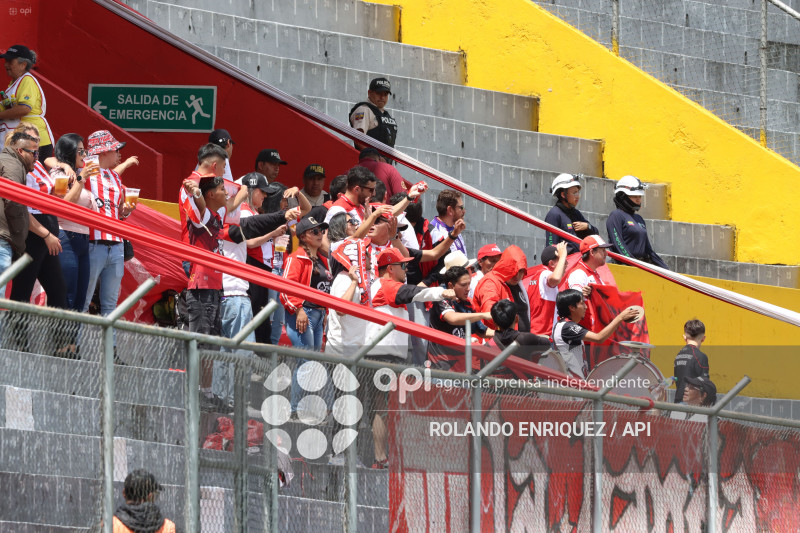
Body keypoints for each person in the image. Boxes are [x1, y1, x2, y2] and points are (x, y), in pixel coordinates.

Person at [366, 247, 454, 468]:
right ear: (389, 269)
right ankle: (379, 457)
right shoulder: (384, 285)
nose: (407, 269)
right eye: (403, 265)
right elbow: (412, 293)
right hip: (381, 356)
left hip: (389, 355)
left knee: (387, 408)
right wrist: (440, 292)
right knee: (381, 408)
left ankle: (385, 456)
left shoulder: (387, 285)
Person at [240, 176, 310, 345]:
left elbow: (307, 209)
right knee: (265, 315)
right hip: (263, 270)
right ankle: (265, 351)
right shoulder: (256, 216)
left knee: (277, 317)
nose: (286, 205)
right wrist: (272, 234)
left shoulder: (281, 217)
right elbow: (248, 244)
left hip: (278, 270)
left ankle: (271, 349)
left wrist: (298, 193)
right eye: (283, 200)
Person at [280, 215, 332, 416]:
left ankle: (303, 407)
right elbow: (285, 289)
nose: (320, 235)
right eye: (315, 232)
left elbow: (324, 289)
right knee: (307, 361)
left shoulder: (322, 260)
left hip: (318, 314)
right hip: (303, 313)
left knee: (311, 362)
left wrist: (325, 311)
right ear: (303, 236)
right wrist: (298, 309)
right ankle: (298, 408)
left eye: (321, 231)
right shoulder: (296, 258)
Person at [82, 131, 136, 320]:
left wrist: (127, 210)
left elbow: (120, 211)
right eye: (115, 150)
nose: (118, 154)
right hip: (93, 243)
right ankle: (76, 346)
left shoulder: (115, 177)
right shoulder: (86, 171)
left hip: (117, 245)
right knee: (85, 299)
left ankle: (110, 349)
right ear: (104, 152)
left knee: (110, 304)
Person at [52, 134, 97, 315]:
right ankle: (62, 343)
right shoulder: (59, 174)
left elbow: (92, 214)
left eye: (84, 151)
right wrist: (80, 181)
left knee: (80, 298)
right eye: (80, 151)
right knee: (67, 296)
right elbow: (63, 206)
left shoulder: (80, 175)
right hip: (66, 236)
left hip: (84, 240)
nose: (84, 155)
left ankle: (73, 344)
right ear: (69, 152)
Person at [552, 289, 638, 378]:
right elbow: (599, 338)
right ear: (572, 307)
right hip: (570, 384)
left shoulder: (567, 325)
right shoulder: (567, 327)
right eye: (582, 303)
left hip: (576, 383)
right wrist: (620, 317)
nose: (585, 307)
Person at [427, 265, 491, 372]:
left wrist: (506, 333)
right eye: (463, 285)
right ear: (451, 285)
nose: (468, 288)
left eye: (469, 284)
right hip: (441, 368)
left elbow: (482, 331)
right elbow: (452, 318)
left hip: (462, 369)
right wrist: (483, 315)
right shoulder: (441, 298)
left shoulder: (467, 302)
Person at [0, 45, 53, 161]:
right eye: (5, 61)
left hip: (36, 142)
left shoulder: (27, 80)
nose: (5, 64)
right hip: (25, 141)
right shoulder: (14, 82)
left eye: (9, 61)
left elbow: (24, 109)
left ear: (23, 65)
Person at [606, 175, 668, 269]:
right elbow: (618, 245)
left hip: (638, 267)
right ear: (623, 196)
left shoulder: (639, 219)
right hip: (624, 268)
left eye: (639, 196)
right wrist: (633, 265)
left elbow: (648, 250)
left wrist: (665, 269)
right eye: (634, 196)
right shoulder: (616, 216)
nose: (638, 199)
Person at [0, 131, 35, 294]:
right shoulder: (13, 164)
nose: (36, 157)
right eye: (33, 152)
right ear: (20, 151)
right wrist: (20, 241)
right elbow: (13, 202)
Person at [489, 299, 552, 379]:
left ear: (494, 322)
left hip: (496, 389)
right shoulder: (526, 339)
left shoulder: (488, 345)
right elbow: (547, 344)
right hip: (523, 389)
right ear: (517, 318)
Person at [472, 245, 529, 331]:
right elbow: (490, 314)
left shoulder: (518, 283)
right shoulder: (490, 282)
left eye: (521, 271)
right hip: (500, 341)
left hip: (519, 340)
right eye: (514, 269)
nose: (517, 275)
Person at [563, 235, 613, 331]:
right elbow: (574, 302)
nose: (606, 254)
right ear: (592, 252)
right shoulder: (579, 273)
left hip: (592, 335)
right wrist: (581, 295)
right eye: (603, 250)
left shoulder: (593, 273)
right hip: (584, 337)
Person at [545, 173, 598, 255]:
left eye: (578, 193)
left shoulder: (575, 213)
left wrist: (588, 227)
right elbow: (551, 247)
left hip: (579, 262)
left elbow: (596, 234)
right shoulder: (554, 215)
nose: (578, 196)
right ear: (563, 194)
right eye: (574, 193)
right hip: (566, 264)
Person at [526, 242, 568, 336]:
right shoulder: (545, 274)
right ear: (552, 263)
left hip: (538, 334)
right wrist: (563, 256)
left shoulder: (538, 275)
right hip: (543, 336)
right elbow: (556, 278)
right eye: (563, 260)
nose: (566, 263)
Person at [349, 77, 397, 149]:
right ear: (369, 93)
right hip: (370, 159)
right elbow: (358, 139)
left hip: (384, 159)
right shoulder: (364, 110)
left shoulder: (384, 113)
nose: (382, 97)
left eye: (385, 94)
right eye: (379, 93)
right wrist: (373, 157)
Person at [673, 319, 710, 404]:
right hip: (692, 404)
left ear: (684, 337)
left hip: (677, 402)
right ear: (703, 339)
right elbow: (705, 384)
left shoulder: (678, 355)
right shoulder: (701, 356)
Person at [429, 189, 467, 255]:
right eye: (461, 207)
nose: (464, 211)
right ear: (450, 210)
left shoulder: (455, 227)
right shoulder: (435, 231)